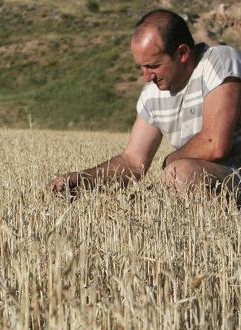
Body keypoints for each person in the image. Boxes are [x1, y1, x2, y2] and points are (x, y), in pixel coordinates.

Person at [47, 9, 241, 197]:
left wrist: (169, 161)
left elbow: (215, 144)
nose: (147, 77)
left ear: (182, 53)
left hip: (234, 172)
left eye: (153, 66)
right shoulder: (152, 94)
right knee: (171, 179)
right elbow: (132, 162)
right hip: (199, 176)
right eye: (142, 67)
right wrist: (83, 179)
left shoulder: (219, 61)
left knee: (180, 174)